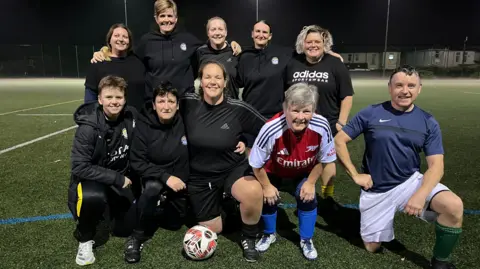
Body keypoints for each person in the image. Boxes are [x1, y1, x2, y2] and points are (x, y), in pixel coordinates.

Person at [334, 65, 463, 269]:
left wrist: (420, 195)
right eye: (399, 85)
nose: (405, 91)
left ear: (419, 88)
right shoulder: (371, 113)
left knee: (453, 206)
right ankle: (377, 230)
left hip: (409, 182)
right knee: (372, 247)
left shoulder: (428, 122)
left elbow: (436, 166)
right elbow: (339, 141)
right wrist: (355, 175)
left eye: (411, 85)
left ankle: (441, 262)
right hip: (376, 190)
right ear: (390, 88)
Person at [180, 60, 265, 262]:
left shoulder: (238, 108)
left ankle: (249, 237)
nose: (212, 82)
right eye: (207, 77)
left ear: (225, 82)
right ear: (200, 81)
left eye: (218, 77)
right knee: (214, 228)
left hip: (231, 169)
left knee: (253, 192)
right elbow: (162, 109)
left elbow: (266, 130)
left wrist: (247, 142)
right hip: (199, 177)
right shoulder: (187, 103)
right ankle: (227, 205)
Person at [249, 83, 336, 260]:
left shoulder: (322, 125)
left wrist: (311, 183)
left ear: (314, 110)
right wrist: (266, 186)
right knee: (267, 198)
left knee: (308, 198)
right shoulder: (271, 128)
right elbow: (256, 164)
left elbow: (324, 158)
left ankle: (306, 239)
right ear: (285, 108)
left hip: (302, 174)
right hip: (273, 173)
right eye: (295, 110)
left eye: (306, 111)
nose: (300, 117)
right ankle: (269, 233)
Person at [91, 0, 241, 100]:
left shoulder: (188, 39)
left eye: (170, 15)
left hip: (184, 102)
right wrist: (105, 51)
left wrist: (231, 44)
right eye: (162, 16)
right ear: (156, 18)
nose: (166, 19)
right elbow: (127, 57)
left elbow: (210, 46)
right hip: (156, 102)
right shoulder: (146, 41)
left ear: (175, 18)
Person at [237, 21, 343, 150]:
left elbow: (308, 50)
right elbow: (238, 81)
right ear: (252, 34)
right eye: (257, 31)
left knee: (276, 154)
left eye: (264, 32)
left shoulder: (283, 53)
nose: (261, 35)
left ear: (270, 36)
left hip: (276, 116)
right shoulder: (244, 56)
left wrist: (328, 53)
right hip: (251, 114)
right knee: (251, 153)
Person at [68, 75, 137, 266]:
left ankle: (109, 211)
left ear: (124, 99)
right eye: (109, 97)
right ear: (99, 99)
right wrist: (115, 178)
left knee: (125, 229)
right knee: (93, 196)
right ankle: (85, 238)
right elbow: (80, 167)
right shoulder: (88, 128)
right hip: (94, 181)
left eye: (118, 97)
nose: (114, 102)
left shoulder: (130, 117)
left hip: (119, 180)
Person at [284, 24, 354, 199]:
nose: (313, 45)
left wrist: (341, 122)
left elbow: (346, 95)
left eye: (317, 42)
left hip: (327, 122)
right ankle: (299, 189)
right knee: (299, 157)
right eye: (309, 42)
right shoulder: (293, 62)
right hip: (298, 121)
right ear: (303, 43)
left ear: (325, 44)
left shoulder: (335, 64)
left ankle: (327, 196)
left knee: (326, 159)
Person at [123, 82, 189, 263]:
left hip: (180, 182)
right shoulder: (144, 127)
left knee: (174, 225)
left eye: (171, 101)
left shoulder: (185, 122)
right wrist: (166, 177)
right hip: (155, 178)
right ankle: (136, 237)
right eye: (161, 101)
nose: (166, 106)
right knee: (152, 188)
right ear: (153, 105)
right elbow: (137, 162)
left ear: (177, 105)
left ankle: (161, 205)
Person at [84, 23, 145, 110]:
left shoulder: (138, 61)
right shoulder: (98, 63)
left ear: (130, 42)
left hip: (137, 119)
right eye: (116, 35)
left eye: (125, 37)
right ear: (109, 40)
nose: (121, 39)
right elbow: (90, 98)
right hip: (108, 121)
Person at [196, 16, 240, 99]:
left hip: (232, 106)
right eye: (213, 29)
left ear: (226, 32)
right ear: (208, 33)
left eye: (220, 29)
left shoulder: (235, 52)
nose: (217, 33)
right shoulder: (200, 52)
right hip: (207, 106)